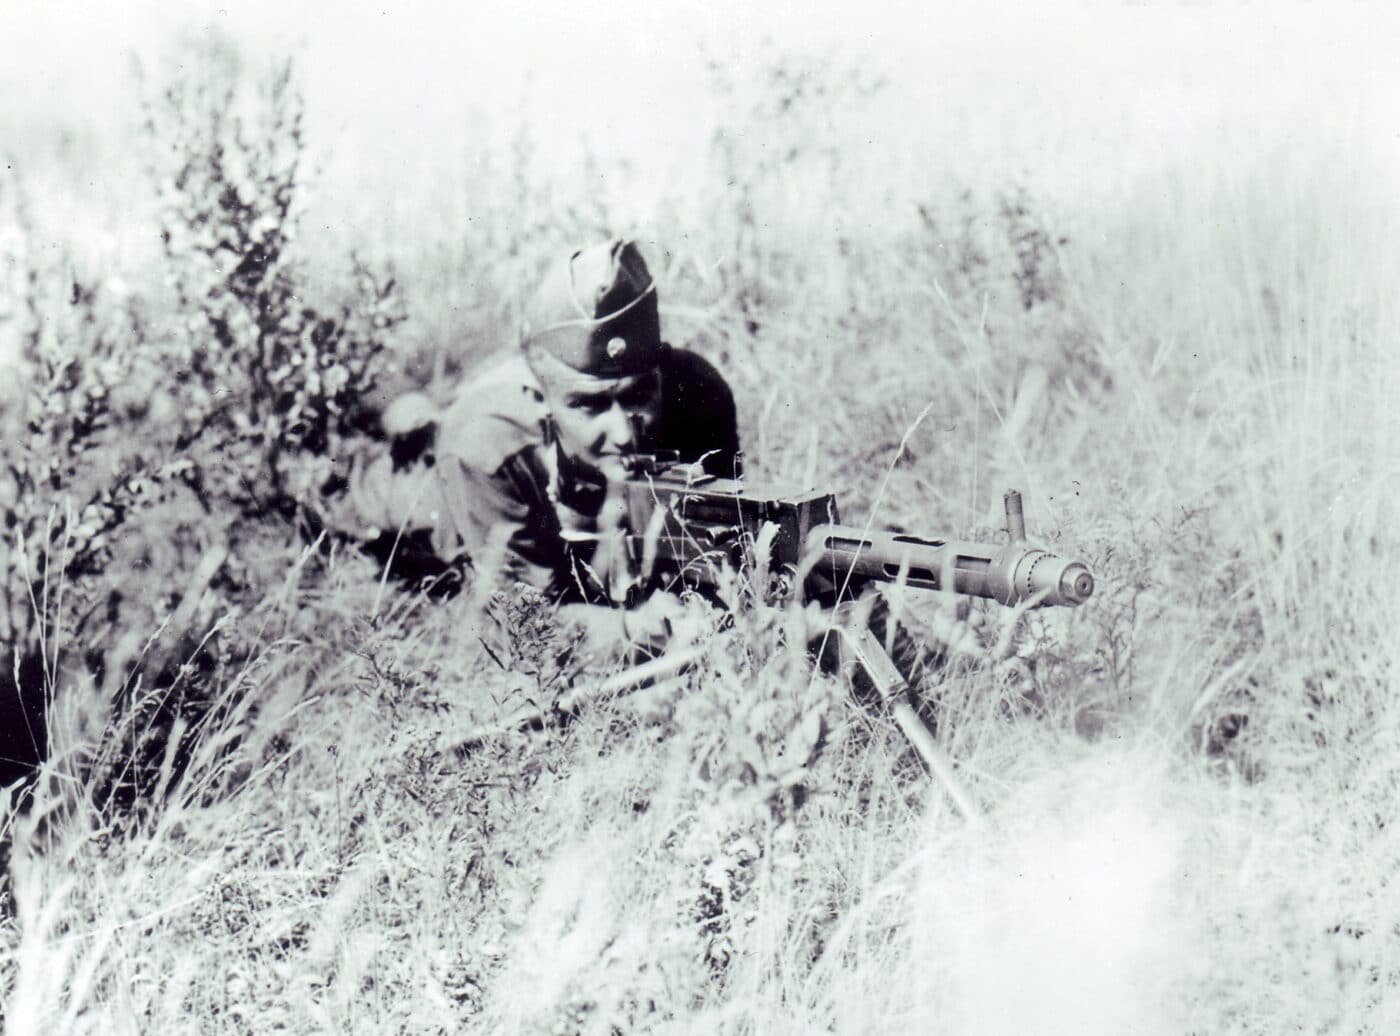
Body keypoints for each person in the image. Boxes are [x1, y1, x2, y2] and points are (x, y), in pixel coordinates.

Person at [343, 238, 739, 652]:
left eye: (639, 396)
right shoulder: (488, 448)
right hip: (440, 495)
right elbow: (524, 623)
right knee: (361, 483)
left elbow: (721, 536)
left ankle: (413, 404)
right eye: (590, 405)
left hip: (511, 436)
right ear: (542, 395)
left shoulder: (696, 392)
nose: (623, 433)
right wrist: (629, 630)